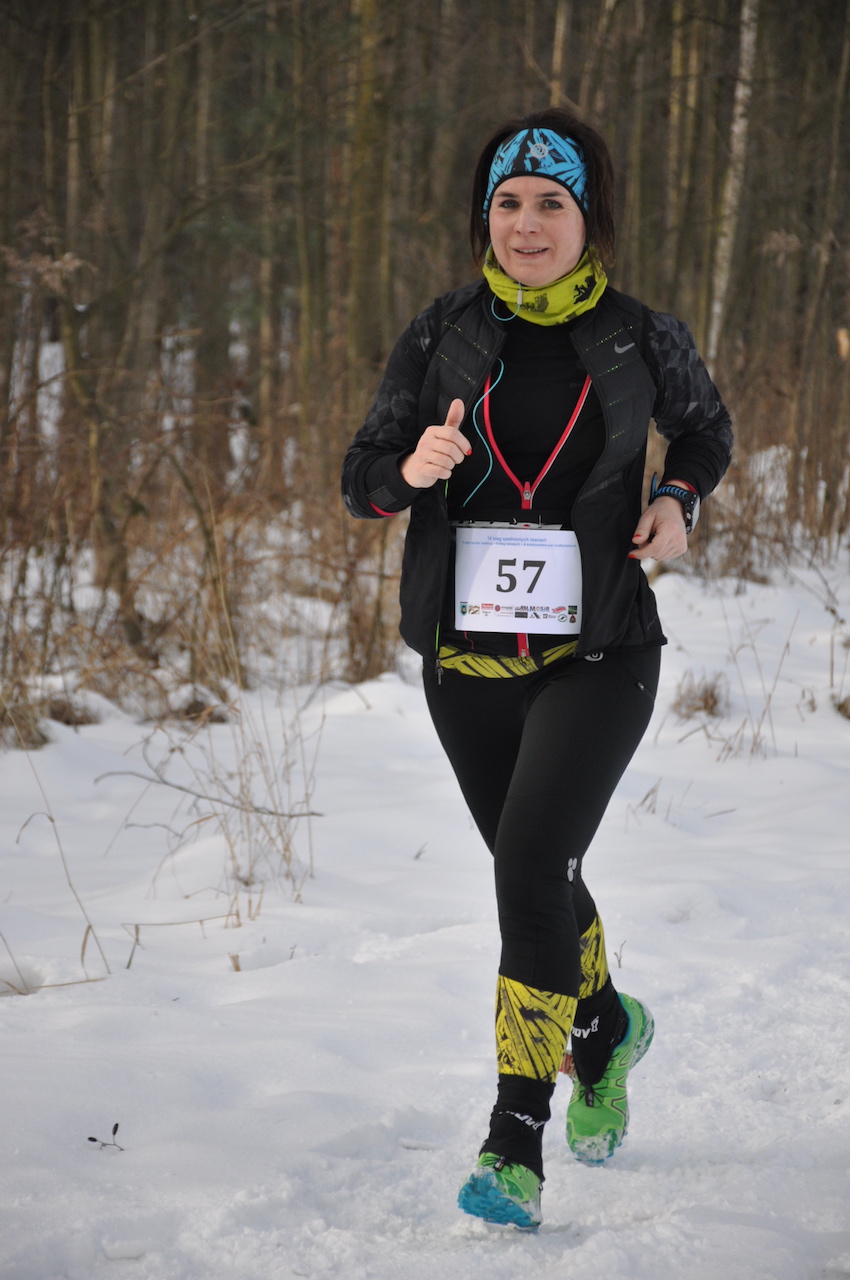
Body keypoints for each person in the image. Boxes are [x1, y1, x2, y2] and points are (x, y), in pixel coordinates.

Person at [341, 108, 732, 1230]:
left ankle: (514, 1141)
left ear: (586, 216)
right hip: (466, 660)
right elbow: (361, 475)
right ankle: (605, 1028)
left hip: (600, 649)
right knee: (542, 876)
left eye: (550, 203)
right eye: (506, 203)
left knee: (526, 865)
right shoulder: (442, 332)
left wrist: (678, 497)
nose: (525, 223)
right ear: (485, 217)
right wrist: (410, 467)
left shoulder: (642, 335)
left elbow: (705, 429)